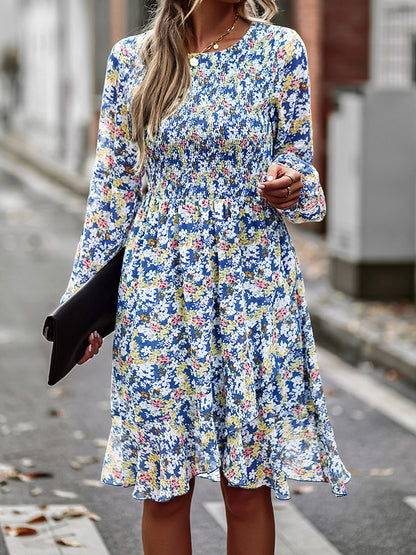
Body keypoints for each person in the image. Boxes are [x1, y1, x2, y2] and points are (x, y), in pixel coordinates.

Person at [60, 0, 351, 553]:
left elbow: (303, 173)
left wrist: (292, 182)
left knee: (246, 486)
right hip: (159, 289)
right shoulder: (133, 60)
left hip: (253, 286)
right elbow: (112, 195)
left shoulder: (279, 50)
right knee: (165, 487)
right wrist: (82, 307)